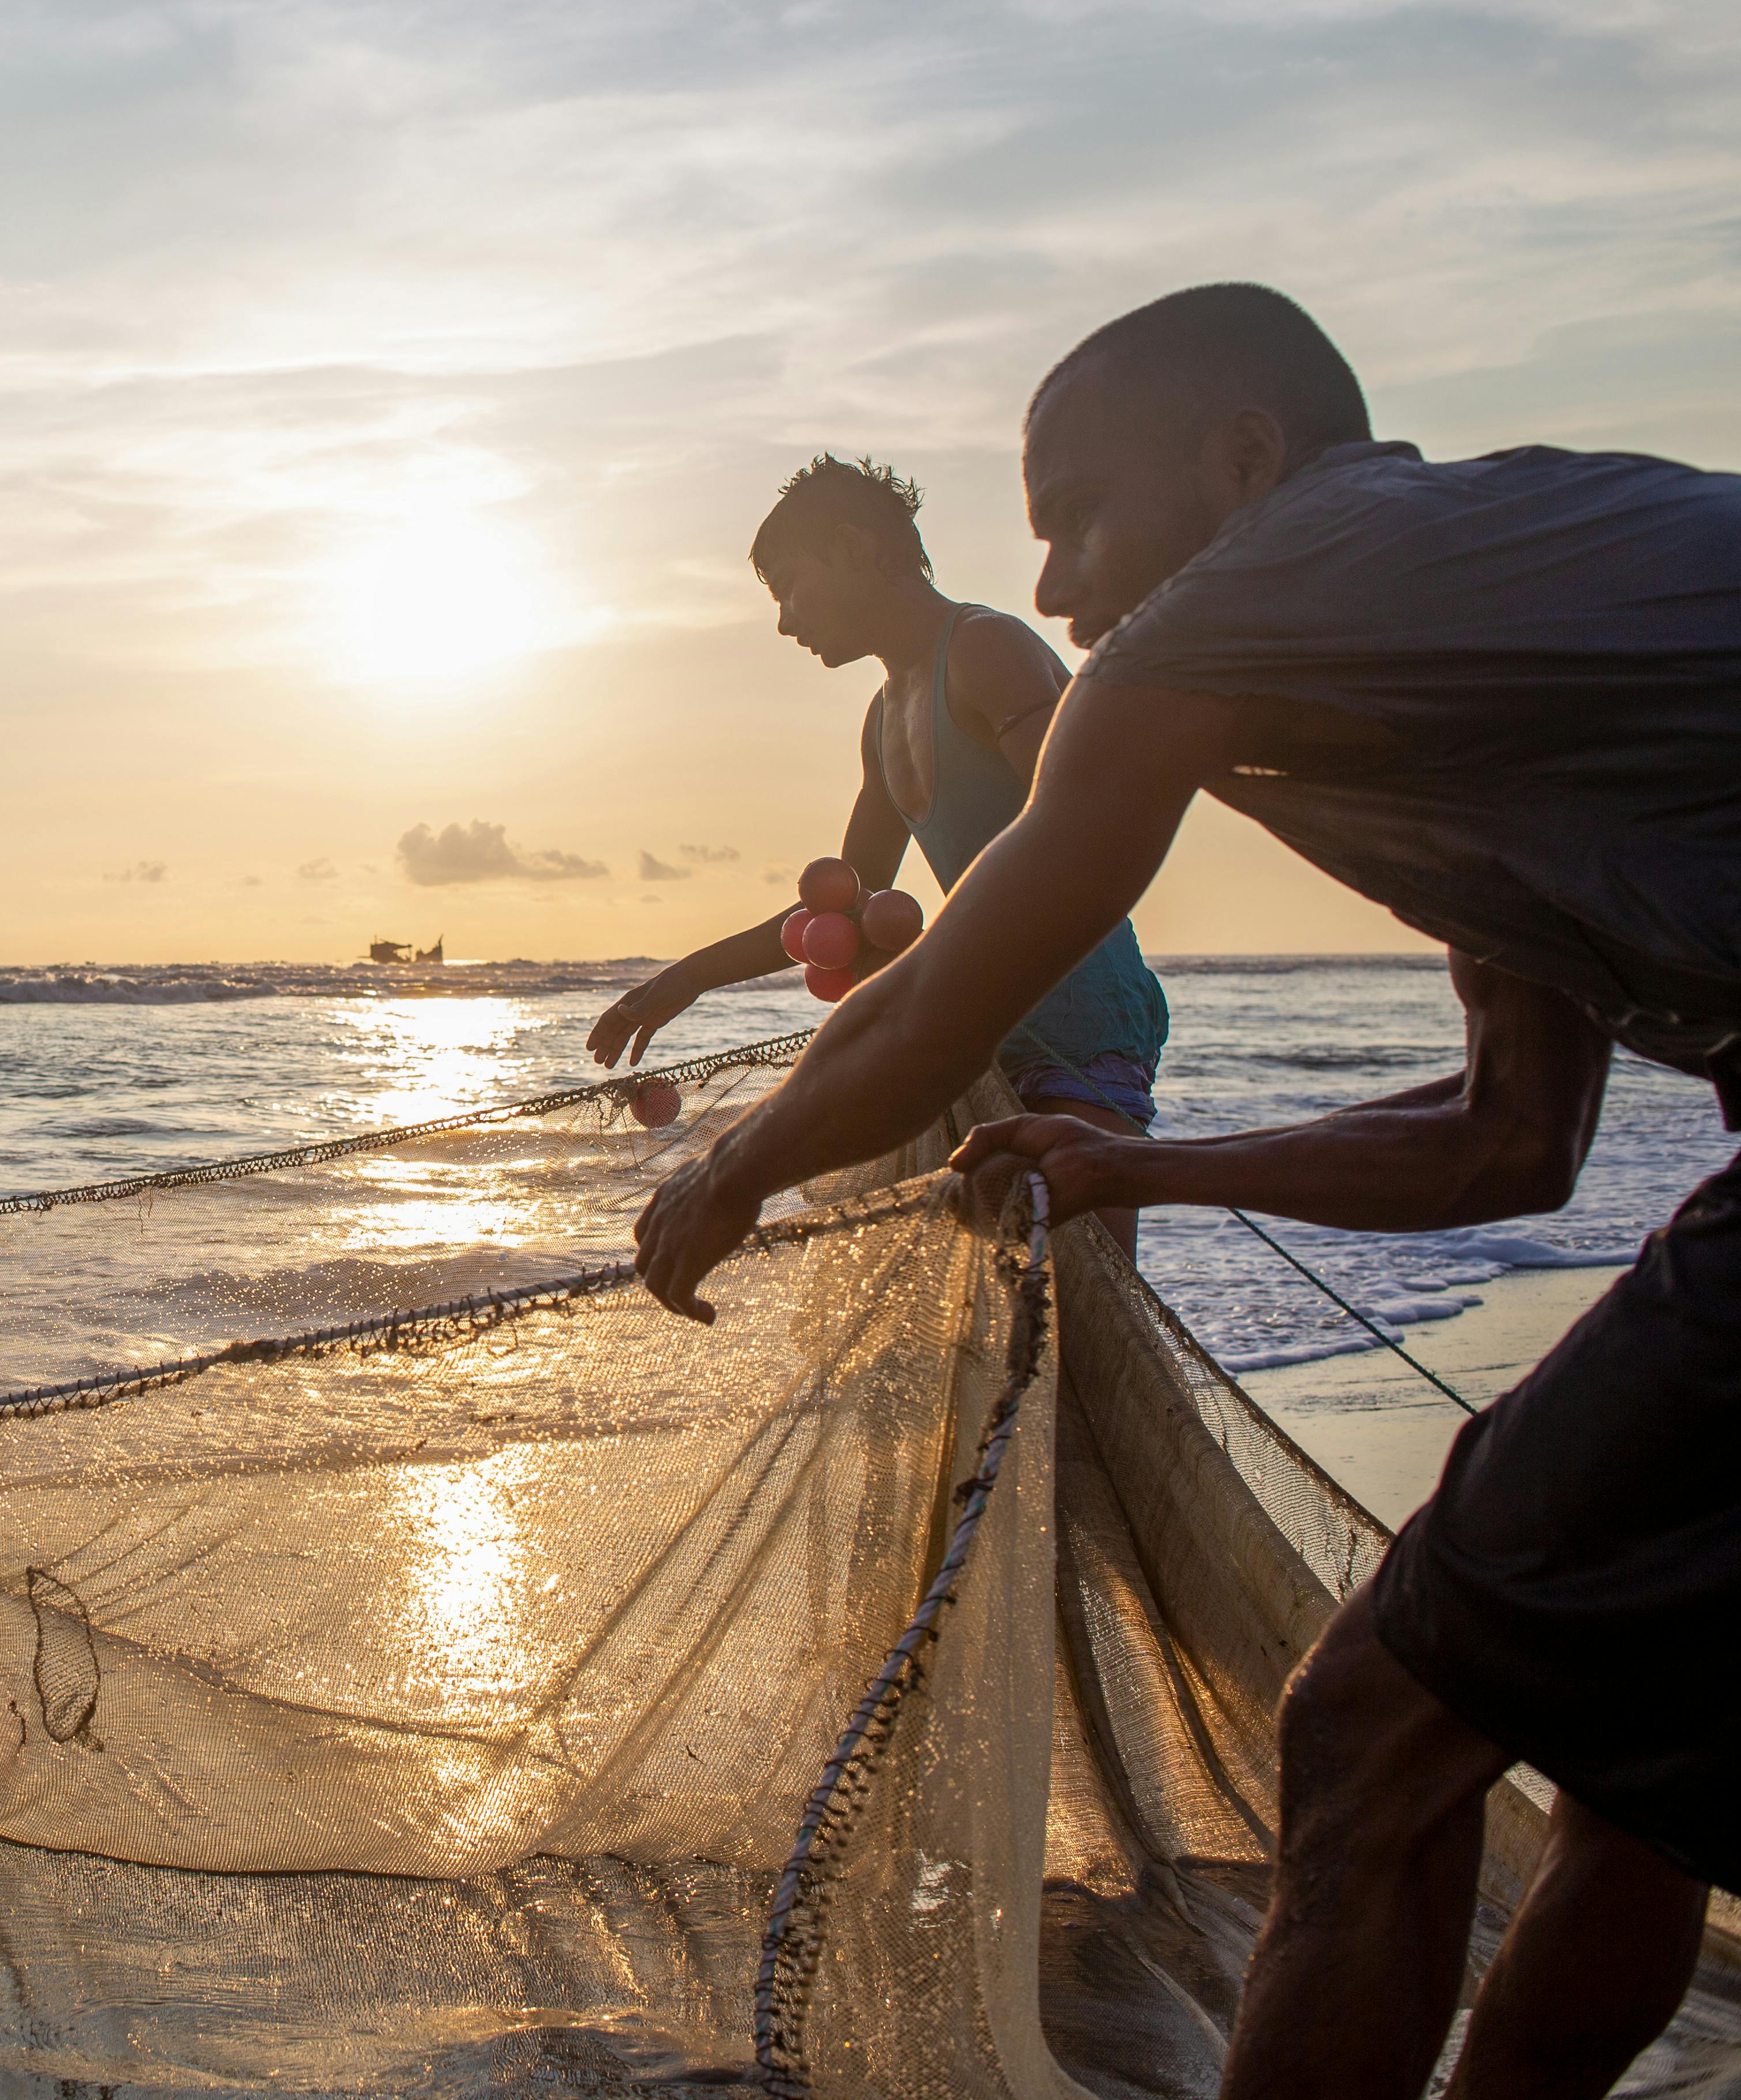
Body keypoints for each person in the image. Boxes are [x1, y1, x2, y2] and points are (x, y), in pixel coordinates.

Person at [631, 281, 1740, 2099]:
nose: (1061, 583)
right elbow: (1505, 1142)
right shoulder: (1482, 662)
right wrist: (1149, 1162)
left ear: (1246, 462)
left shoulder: (1291, 567)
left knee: (1378, 1724)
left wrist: (734, 1164)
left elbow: (942, 995)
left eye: (1078, 512)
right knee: (1647, 1760)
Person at [586, 457, 1167, 1249]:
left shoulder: (987, 650)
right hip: (979, 1026)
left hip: (1080, 1022)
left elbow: (1091, 826)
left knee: (1087, 1298)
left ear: (857, 549)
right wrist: (684, 980)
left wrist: (946, 955)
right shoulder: (882, 719)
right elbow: (841, 917)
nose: (787, 621)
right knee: (1004, 1319)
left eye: (791, 586)